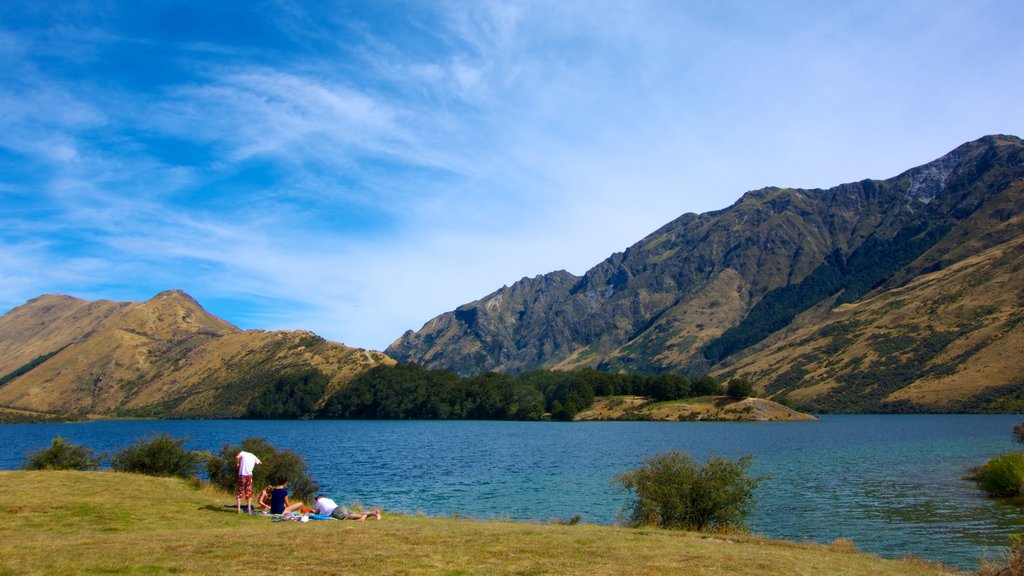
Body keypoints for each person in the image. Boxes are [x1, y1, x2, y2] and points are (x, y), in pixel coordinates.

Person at [313, 494, 382, 520]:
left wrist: (313, 512)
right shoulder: (329, 500)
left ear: (318, 498)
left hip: (335, 511)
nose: (316, 500)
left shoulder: (319, 501)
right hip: (341, 507)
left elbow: (317, 513)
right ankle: (374, 513)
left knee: (346, 517)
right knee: (353, 515)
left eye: (316, 499)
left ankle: (361, 517)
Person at [235, 450, 261, 514]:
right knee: (248, 492)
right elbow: (260, 462)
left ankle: (238, 509)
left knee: (240, 492)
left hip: (242, 475)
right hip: (249, 476)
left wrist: (237, 464)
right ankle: (249, 510)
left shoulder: (242, 453)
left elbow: (237, 457)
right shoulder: (253, 456)